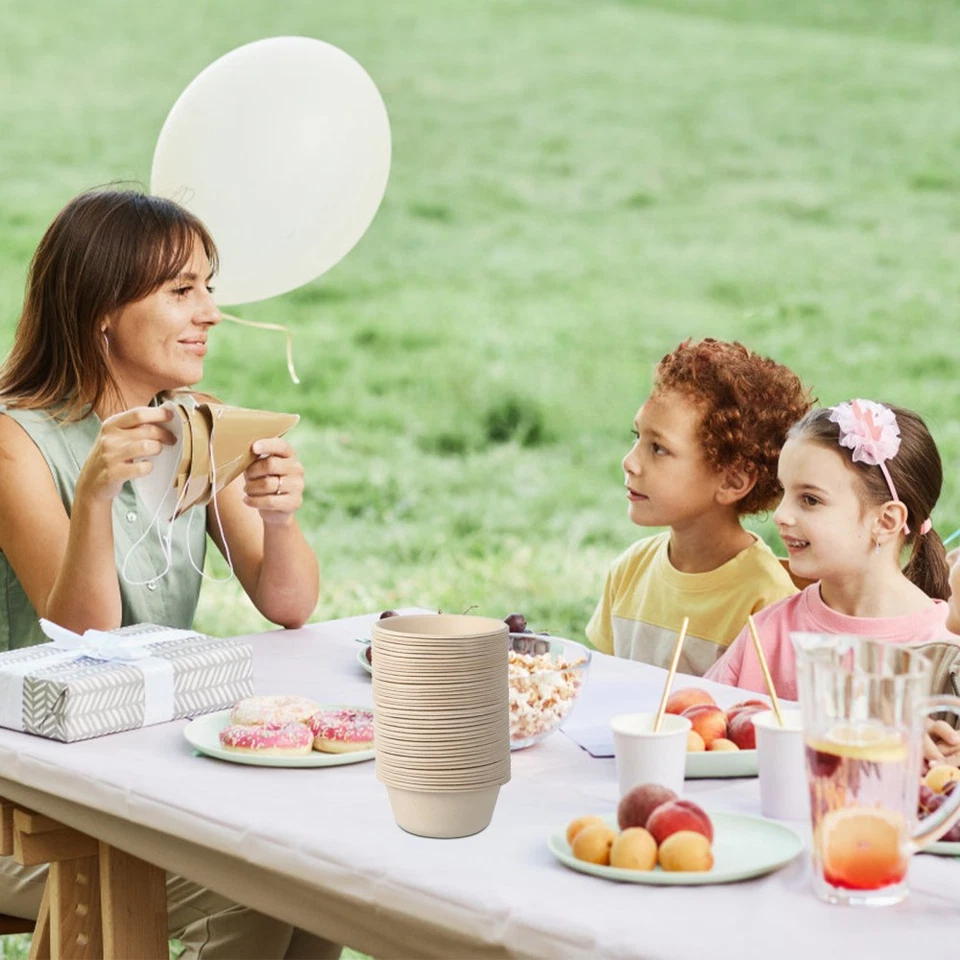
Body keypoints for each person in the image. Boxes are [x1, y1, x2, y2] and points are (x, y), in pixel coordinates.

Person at [0, 189, 336, 959]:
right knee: (258, 890)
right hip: (29, 796)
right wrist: (93, 496)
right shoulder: (16, 441)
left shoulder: (196, 425)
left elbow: (288, 603)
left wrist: (279, 518)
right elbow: (83, 640)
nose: (211, 312)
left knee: (321, 880)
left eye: (208, 287)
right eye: (182, 290)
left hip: (145, 765)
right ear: (102, 312)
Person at [586, 338, 813, 674]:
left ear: (732, 481)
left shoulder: (766, 601)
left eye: (659, 449)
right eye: (637, 437)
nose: (630, 462)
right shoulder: (629, 570)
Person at [706, 400, 959, 701]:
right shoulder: (768, 632)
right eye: (785, 492)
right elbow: (710, 730)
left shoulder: (946, 654)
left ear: (886, 520)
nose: (781, 515)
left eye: (810, 500)